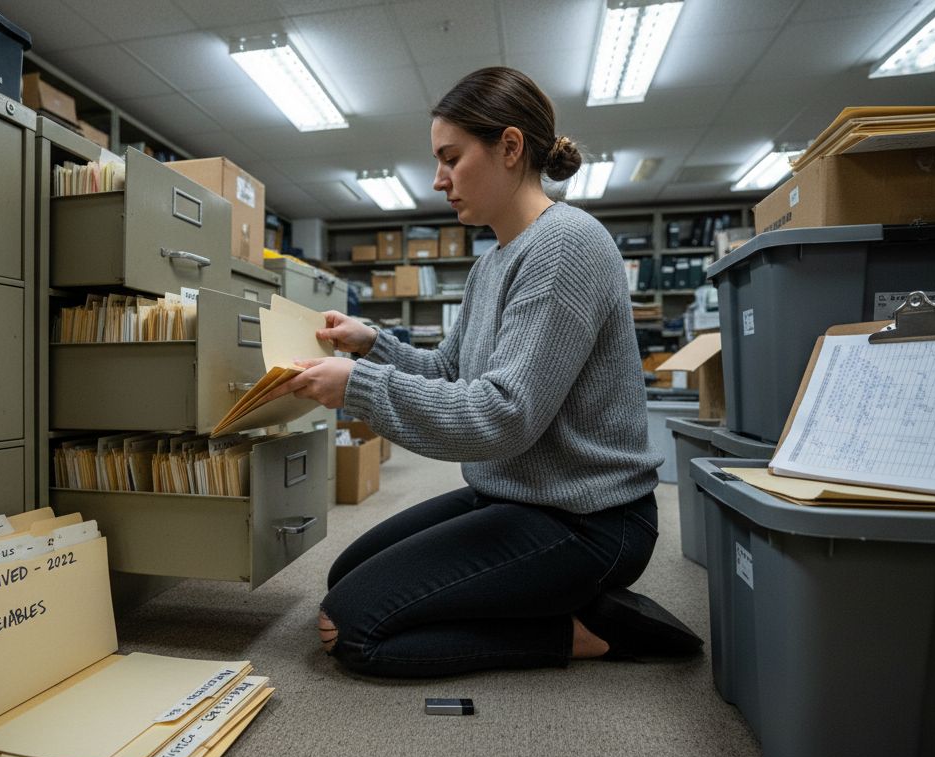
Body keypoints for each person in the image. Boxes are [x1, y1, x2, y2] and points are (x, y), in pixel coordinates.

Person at [278, 66, 701, 677]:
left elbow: (502, 416)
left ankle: (582, 634)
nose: (438, 179)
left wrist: (357, 387)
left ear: (509, 147)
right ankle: (540, 600)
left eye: (451, 158)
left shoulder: (565, 245)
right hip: (514, 494)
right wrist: (373, 345)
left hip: (590, 521)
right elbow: (451, 371)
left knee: (353, 630)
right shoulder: (492, 263)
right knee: (345, 576)